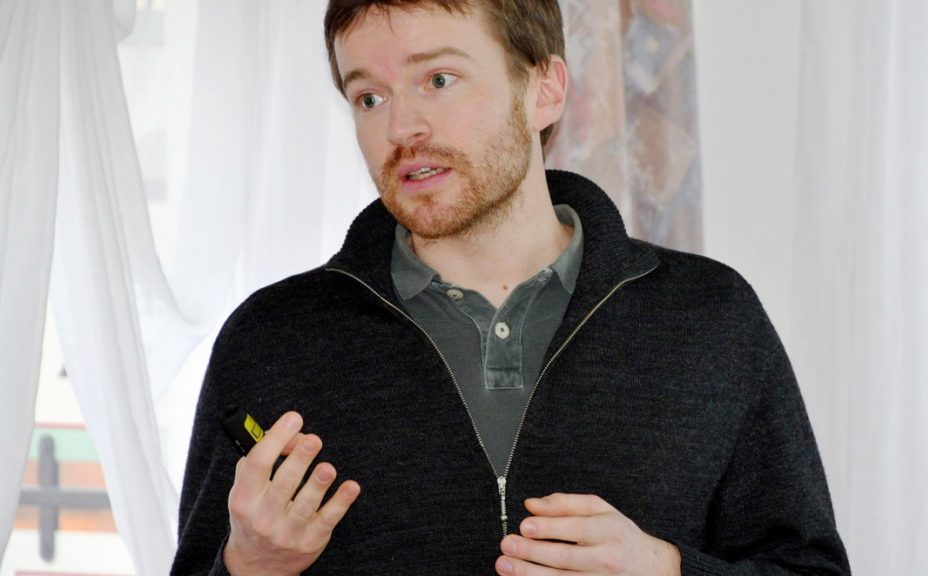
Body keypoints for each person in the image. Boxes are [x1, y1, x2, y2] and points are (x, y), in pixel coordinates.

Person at [171, 1, 850, 574]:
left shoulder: (710, 317)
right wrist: (249, 567)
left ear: (544, 89)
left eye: (438, 79)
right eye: (369, 97)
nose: (400, 127)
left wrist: (666, 569)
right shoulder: (272, 339)